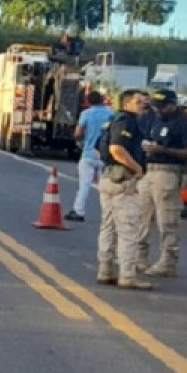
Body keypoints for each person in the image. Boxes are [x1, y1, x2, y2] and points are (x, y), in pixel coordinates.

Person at [134, 89, 187, 277]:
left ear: (173, 105)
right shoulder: (155, 119)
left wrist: (164, 150)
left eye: (162, 106)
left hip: (168, 171)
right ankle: (139, 257)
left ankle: (168, 261)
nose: (158, 110)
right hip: (150, 170)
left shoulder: (183, 123)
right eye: (156, 106)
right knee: (142, 217)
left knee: (166, 220)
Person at [96, 89, 152, 290]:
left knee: (108, 227)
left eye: (144, 102)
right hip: (123, 180)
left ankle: (105, 269)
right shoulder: (127, 121)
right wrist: (136, 168)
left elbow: (98, 147)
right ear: (126, 103)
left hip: (109, 177)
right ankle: (127, 275)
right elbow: (116, 149)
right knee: (128, 228)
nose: (143, 105)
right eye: (139, 101)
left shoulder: (112, 120)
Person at [66, 91, 114, 222]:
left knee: (84, 185)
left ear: (88, 102)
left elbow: (78, 133)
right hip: (105, 155)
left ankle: (78, 211)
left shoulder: (86, 114)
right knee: (105, 187)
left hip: (88, 154)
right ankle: (108, 214)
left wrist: (80, 138)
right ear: (102, 100)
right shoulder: (111, 114)